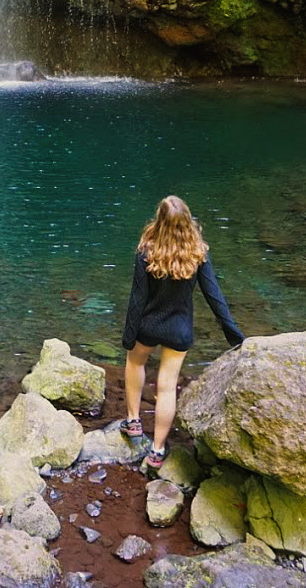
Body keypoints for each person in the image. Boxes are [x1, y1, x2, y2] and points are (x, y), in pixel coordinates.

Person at [119, 195, 245, 468]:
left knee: (134, 362)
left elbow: (137, 300)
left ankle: (133, 422)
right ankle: (157, 450)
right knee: (166, 387)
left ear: (159, 220)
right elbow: (214, 296)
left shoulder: (147, 251)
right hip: (179, 330)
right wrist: (234, 335)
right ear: (188, 221)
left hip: (148, 326)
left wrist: (129, 336)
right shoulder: (197, 253)